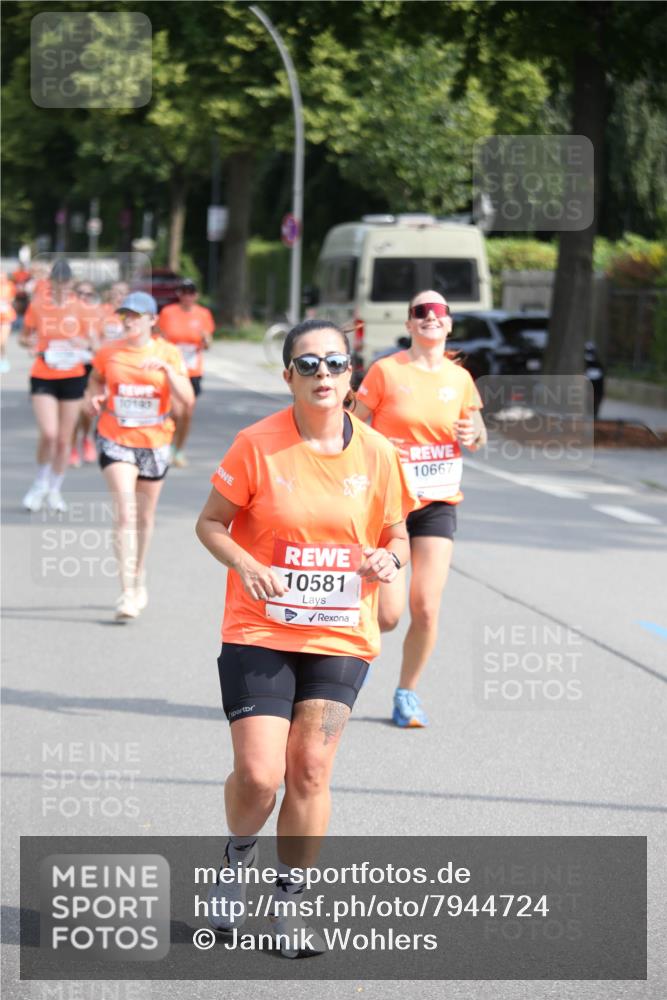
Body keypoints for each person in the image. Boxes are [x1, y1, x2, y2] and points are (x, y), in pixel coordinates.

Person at [195, 318, 412, 956]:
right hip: (260, 625)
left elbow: (396, 536)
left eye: (336, 364)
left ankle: (291, 903)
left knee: (311, 769)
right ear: (287, 375)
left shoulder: (377, 453)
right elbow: (211, 524)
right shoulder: (255, 444)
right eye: (309, 364)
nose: (323, 374)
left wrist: (389, 562)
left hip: (340, 633)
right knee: (260, 775)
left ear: (352, 376)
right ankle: (236, 860)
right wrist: (246, 563)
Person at [354, 290, 487, 728]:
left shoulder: (460, 378)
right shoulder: (386, 371)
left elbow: (478, 432)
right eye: (420, 312)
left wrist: (474, 433)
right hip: (389, 506)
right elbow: (350, 423)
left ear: (449, 325)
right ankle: (343, 662)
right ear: (410, 324)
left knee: (426, 606)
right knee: (389, 615)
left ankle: (406, 693)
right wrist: (377, 447)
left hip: (436, 505)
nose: (431, 317)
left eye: (439, 312)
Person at [84, 292, 194, 621]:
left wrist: (167, 371)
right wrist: (96, 397)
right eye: (125, 315)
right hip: (115, 437)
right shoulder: (109, 353)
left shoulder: (168, 353)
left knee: (145, 517)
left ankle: (139, 572)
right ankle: (127, 592)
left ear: (151, 320)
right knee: (126, 513)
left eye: (135, 315)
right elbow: (95, 381)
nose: (128, 321)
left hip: (155, 441)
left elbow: (187, 400)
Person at [19, 259, 94, 513]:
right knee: (49, 434)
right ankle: (39, 483)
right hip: (44, 373)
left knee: (64, 439)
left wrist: (80, 342)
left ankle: (54, 488)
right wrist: (29, 345)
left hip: (72, 375)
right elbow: (24, 337)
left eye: (65, 283)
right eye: (57, 283)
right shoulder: (39, 306)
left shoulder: (82, 308)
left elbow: (93, 341)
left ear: (71, 283)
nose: (61, 287)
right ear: (50, 282)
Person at [157, 279, 214, 467]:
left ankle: (179, 449)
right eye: (184, 291)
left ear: (196, 295)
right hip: (173, 369)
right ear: (179, 294)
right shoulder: (168, 313)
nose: (188, 296)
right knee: (175, 411)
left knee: (187, 413)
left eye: (191, 292)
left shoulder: (203, 314)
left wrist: (205, 340)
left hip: (193, 371)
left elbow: (208, 343)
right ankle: (166, 445)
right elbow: (160, 338)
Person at [69, 281, 104, 467]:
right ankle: (73, 447)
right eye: (80, 293)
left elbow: (103, 347)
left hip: (90, 368)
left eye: (88, 294)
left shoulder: (98, 316)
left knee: (86, 412)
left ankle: (86, 437)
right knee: (74, 412)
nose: (84, 297)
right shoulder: (66, 315)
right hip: (69, 367)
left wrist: (90, 342)